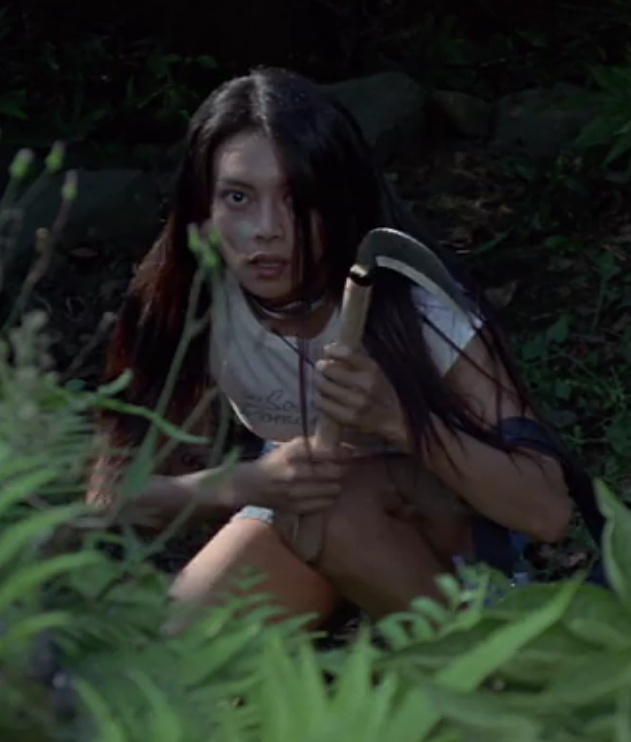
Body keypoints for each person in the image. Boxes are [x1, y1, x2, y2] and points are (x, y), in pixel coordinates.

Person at [87, 66, 601, 635]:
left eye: (297, 198)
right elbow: (110, 495)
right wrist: (247, 484)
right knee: (173, 649)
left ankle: (484, 658)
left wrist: (401, 419)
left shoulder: (413, 305)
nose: (266, 229)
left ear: (339, 204)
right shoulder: (186, 296)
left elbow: (546, 510)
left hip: (442, 537)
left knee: (330, 507)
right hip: (298, 509)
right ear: (202, 211)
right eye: (237, 196)